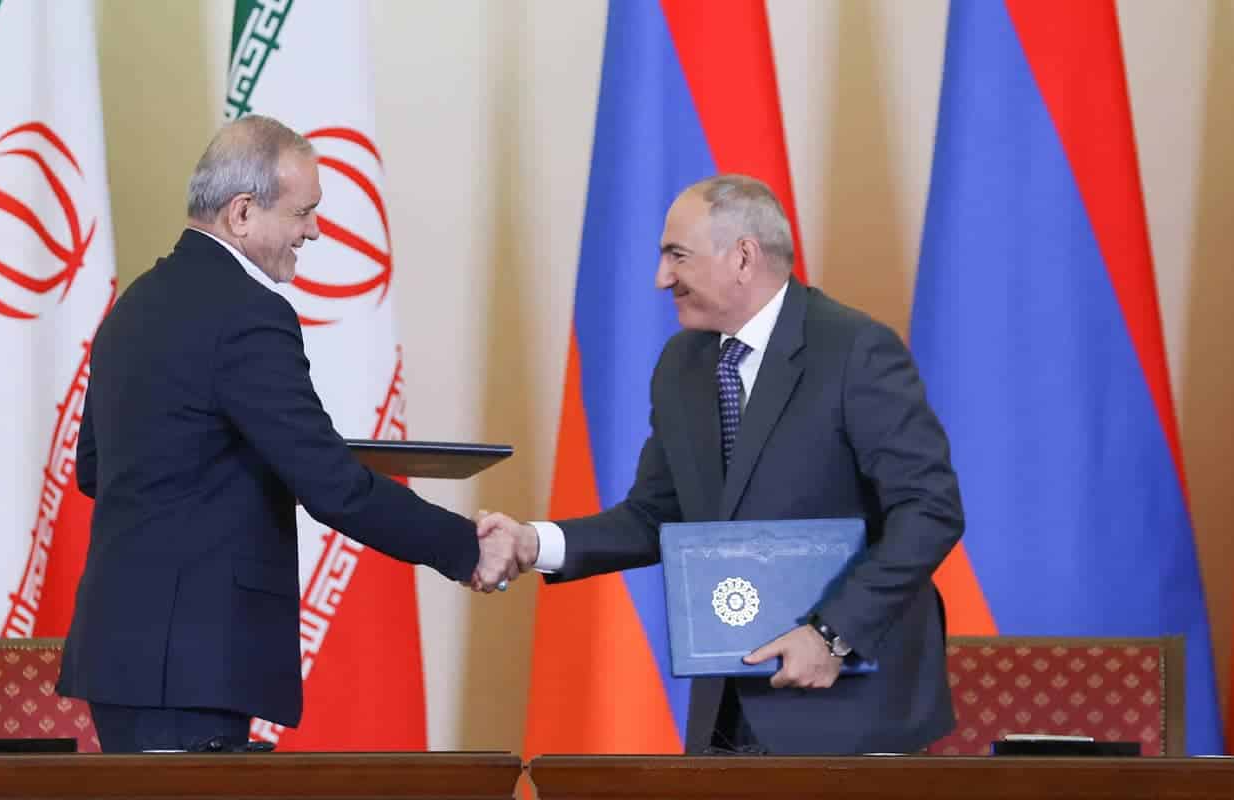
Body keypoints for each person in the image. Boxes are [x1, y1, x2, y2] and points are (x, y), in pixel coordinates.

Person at [56, 115, 526, 753]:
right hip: (191, 662)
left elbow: (95, 468)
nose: (314, 231)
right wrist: (466, 547)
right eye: (303, 213)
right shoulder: (247, 315)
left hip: (121, 654)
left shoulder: (131, 307)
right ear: (242, 213)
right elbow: (333, 487)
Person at [479, 174, 965, 755]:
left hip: (853, 707)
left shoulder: (854, 350)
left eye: (677, 255)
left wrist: (832, 635)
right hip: (730, 705)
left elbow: (929, 509)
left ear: (743, 257)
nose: (662, 278)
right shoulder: (682, 364)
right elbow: (657, 514)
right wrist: (534, 543)